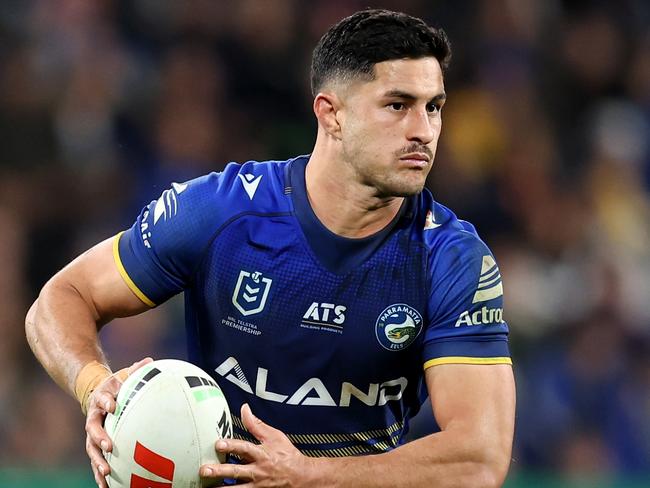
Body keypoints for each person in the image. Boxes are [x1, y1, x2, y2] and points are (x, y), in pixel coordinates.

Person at [26, 9, 515, 488]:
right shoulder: (221, 213)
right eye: (397, 105)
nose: (424, 131)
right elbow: (61, 299)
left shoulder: (450, 258)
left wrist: (308, 477)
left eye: (434, 107)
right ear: (331, 113)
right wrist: (94, 387)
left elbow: (479, 458)